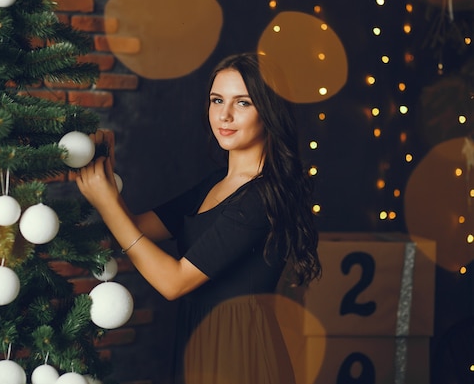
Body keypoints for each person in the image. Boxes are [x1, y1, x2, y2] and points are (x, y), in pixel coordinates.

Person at [76, 53, 322, 384]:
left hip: (241, 356)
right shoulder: (215, 183)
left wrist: (106, 201)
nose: (225, 115)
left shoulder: (263, 197)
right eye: (217, 100)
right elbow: (135, 229)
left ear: (269, 111)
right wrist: (107, 167)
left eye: (243, 103)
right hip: (200, 344)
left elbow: (173, 282)